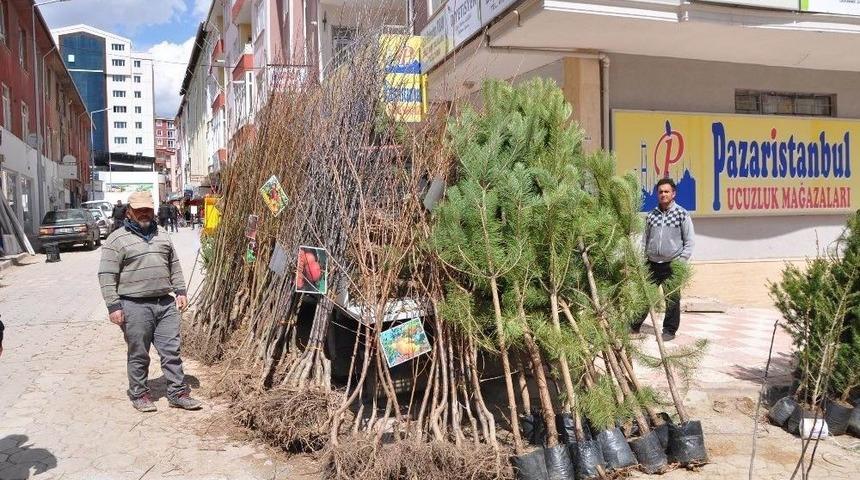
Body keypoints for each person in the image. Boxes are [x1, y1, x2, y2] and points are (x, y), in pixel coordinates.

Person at [98, 191, 202, 412]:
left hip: (165, 304)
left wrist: (181, 291)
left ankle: (177, 393)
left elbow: (173, 264)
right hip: (134, 305)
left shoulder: (163, 235)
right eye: (139, 210)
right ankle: (139, 393)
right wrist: (113, 306)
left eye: (148, 209)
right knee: (139, 352)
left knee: (171, 351)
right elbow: (106, 275)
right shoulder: (116, 239)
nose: (144, 213)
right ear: (129, 212)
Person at [632, 178, 695, 342]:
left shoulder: (681, 214)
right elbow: (645, 239)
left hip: (672, 263)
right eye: (660, 192)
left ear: (673, 194)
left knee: (672, 298)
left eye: (666, 191)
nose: (663, 194)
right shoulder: (651, 215)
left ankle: (669, 330)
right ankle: (634, 325)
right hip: (651, 263)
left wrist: (680, 262)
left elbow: (689, 241)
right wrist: (642, 258)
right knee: (645, 295)